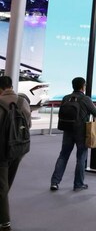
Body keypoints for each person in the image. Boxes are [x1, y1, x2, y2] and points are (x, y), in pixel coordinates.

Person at [50, 77, 96, 192]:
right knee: (81, 157)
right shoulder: (85, 99)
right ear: (83, 86)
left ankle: (54, 182)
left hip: (67, 130)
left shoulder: (66, 98)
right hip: (81, 132)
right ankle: (78, 184)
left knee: (63, 155)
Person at [0, 76, 31, 231]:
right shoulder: (23, 101)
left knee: (1, 187)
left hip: (1, 151)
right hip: (19, 148)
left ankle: (4, 223)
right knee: (6, 183)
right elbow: (28, 125)